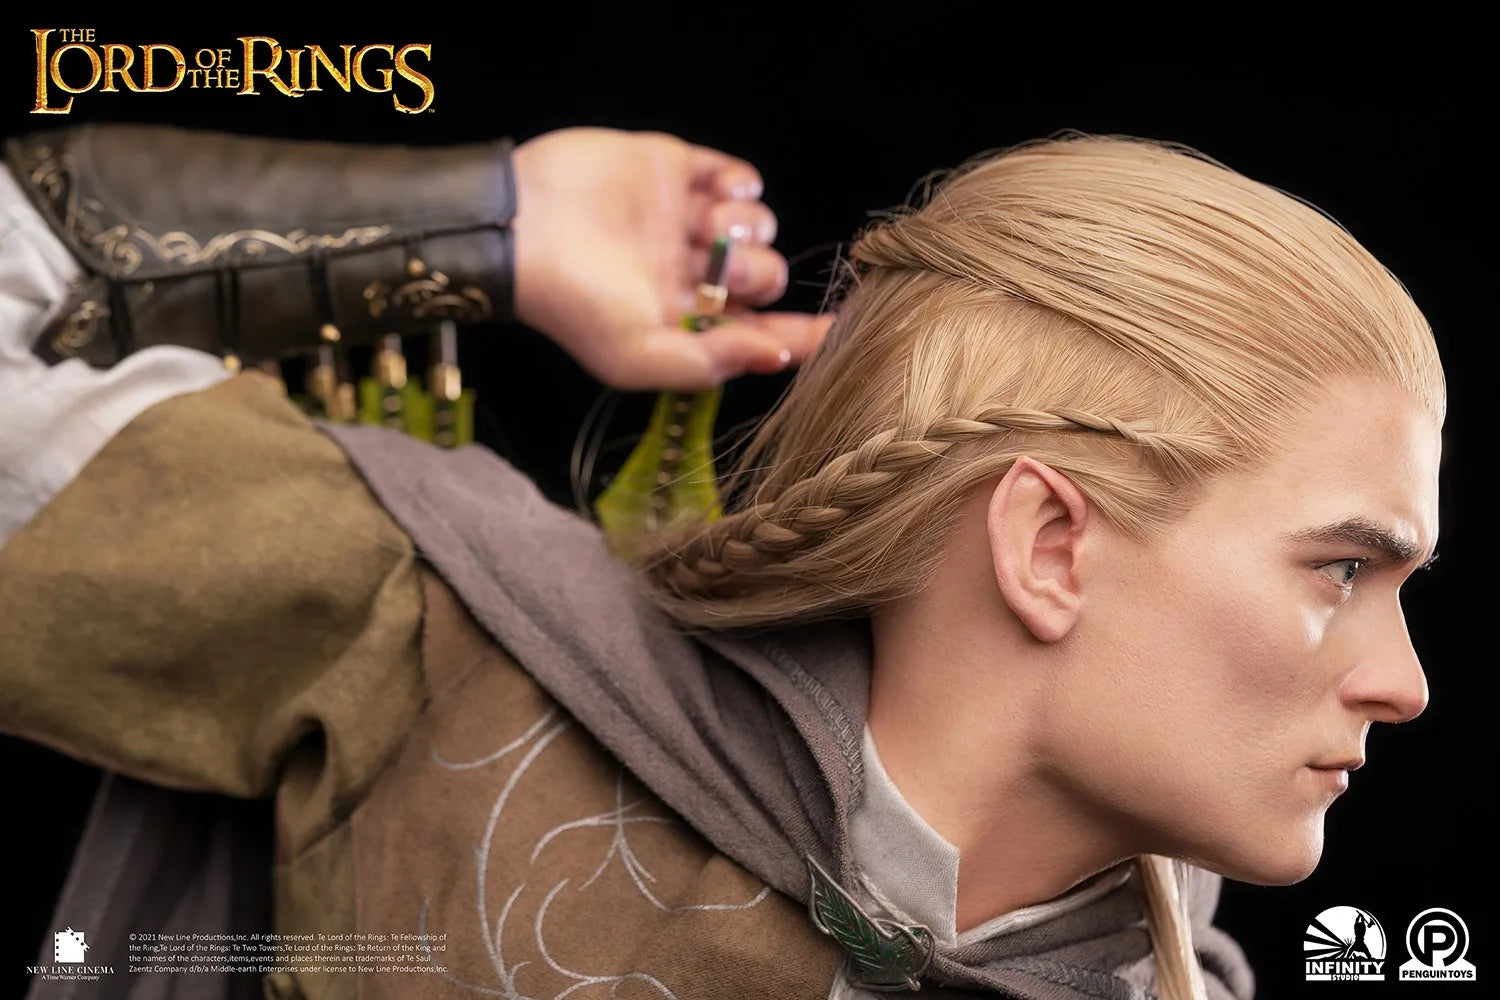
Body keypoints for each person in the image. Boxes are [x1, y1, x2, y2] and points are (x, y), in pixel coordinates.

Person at [0, 120, 1441, 1000]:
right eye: (1339, 570)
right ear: (1051, 546)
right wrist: (487, 226)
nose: (1407, 683)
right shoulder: (436, 641)